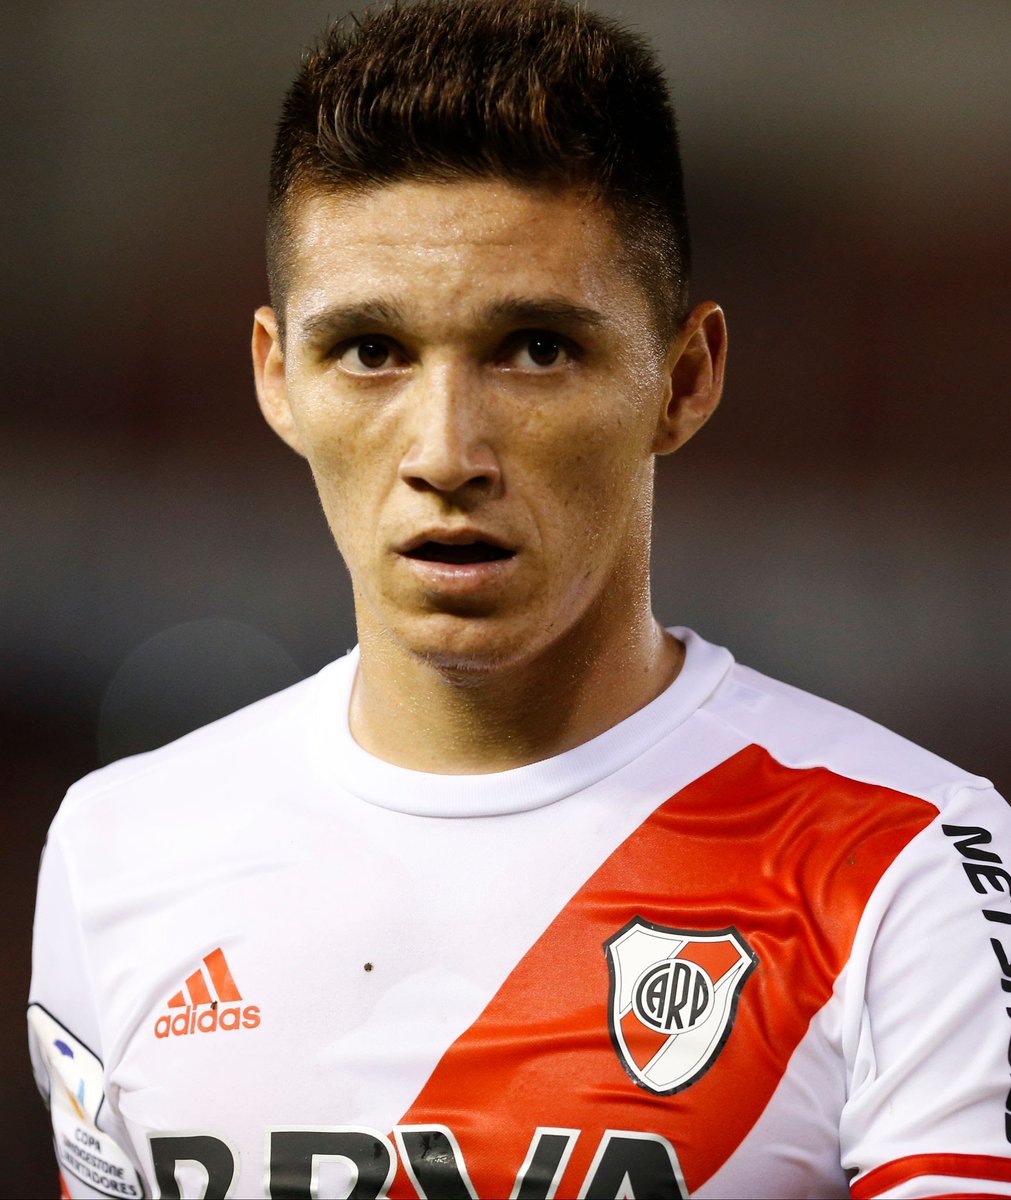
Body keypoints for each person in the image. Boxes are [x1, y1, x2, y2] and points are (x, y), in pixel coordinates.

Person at [27, 1, 1011, 1196]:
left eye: (536, 347)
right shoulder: (120, 849)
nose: (447, 452)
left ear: (685, 378)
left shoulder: (903, 861)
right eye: (371, 351)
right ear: (277, 380)